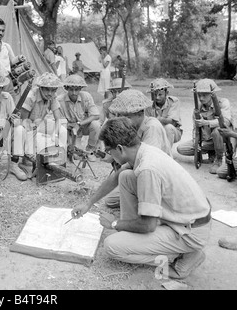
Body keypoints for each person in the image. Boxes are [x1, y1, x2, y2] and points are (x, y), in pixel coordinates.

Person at [71, 117, 211, 280]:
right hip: (189, 220)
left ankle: (180, 256)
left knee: (112, 247)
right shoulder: (143, 151)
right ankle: (139, 237)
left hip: (190, 232)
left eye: (109, 151)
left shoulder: (147, 169)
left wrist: (114, 224)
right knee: (125, 177)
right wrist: (89, 203)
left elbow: (148, 225)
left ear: (120, 148)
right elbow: (116, 177)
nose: (109, 155)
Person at [103, 89, 172, 209]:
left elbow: (148, 165)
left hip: (157, 179)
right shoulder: (132, 127)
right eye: (119, 116)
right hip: (142, 172)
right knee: (110, 200)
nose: (121, 120)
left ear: (140, 114)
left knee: (124, 178)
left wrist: (122, 166)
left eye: (126, 116)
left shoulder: (151, 128)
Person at [177, 78, 234, 174]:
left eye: (204, 95)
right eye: (199, 95)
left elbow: (226, 122)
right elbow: (195, 128)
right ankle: (211, 152)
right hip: (207, 140)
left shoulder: (223, 103)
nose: (201, 98)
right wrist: (197, 143)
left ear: (212, 94)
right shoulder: (198, 108)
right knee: (181, 149)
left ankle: (219, 159)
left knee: (217, 131)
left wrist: (207, 123)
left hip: (223, 139)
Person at [20, 72, 67, 156]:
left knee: (62, 131)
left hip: (39, 123)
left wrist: (55, 135)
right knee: (38, 145)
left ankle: (60, 156)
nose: (50, 93)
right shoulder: (30, 97)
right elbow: (23, 122)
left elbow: (57, 119)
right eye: (47, 89)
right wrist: (39, 136)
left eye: (53, 90)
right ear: (40, 88)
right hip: (27, 127)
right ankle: (28, 157)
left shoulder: (52, 96)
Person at [57, 75, 101, 162]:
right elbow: (58, 121)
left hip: (83, 126)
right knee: (77, 155)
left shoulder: (86, 96)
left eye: (76, 89)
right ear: (66, 88)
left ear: (80, 89)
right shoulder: (60, 100)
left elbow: (96, 115)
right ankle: (70, 148)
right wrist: (71, 126)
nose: (74, 92)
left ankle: (90, 150)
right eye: (71, 89)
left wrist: (79, 124)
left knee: (96, 125)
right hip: (70, 130)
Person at [146, 78, 183, 148]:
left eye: (160, 95)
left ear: (167, 93)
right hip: (156, 132)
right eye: (155, 95)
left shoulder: (174, 101)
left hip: (173, 132)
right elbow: (145, 123)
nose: (157, 97)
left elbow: (172, 121)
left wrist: (157, 119)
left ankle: (167, 155)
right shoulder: (149, 105)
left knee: (168, 127)